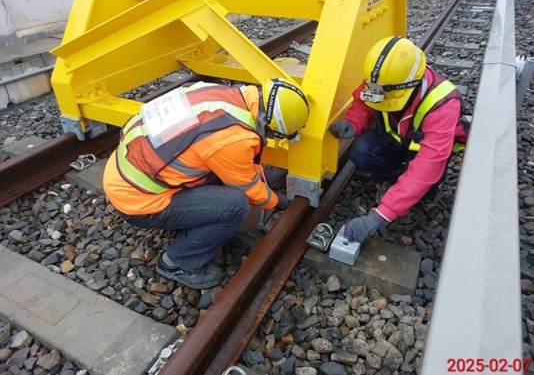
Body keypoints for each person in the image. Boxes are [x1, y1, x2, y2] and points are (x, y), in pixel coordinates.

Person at [103, 79, 309, 289]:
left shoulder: (220, 94)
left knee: (222, 177)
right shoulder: (232, 140)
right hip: (139, 202)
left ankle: (191, 222)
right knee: (236, 205)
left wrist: (262, 176)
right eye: (275, 134)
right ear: (268, 123)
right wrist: (275, 201)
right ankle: (178, 262)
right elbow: (247, 188)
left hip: (126, 172)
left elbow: (229, 160)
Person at [329, 36, 468, 245]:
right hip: (394, 141)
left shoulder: (443, 104)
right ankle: (398, 179)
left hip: (422, 152)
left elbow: (428, 165)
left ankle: (404, 187)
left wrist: (380, 215)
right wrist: (353, 123)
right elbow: (364, 101)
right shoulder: (381, 78)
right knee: (359, 151)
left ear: (412, 84)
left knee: (426, 190)